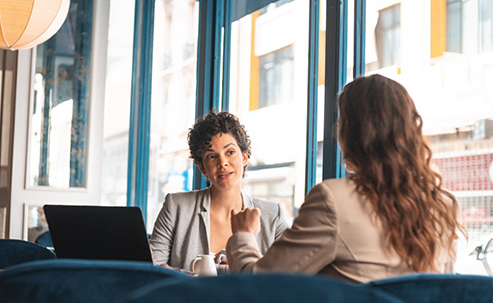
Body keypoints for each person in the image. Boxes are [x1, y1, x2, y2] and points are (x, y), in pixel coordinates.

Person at [226, 74, 463, 283]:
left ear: (352, 131)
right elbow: (443, 295)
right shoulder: (444, 205)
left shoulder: (333, 199)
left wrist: (244, 235)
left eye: (341, 121)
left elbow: (260, 284)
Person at [150, 111, 289, 270]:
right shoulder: (176, 206)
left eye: (230, 152)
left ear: (244, 157)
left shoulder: (272, 215)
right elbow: (153, 269)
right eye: (211, 156)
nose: (222, 162)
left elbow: (287, 274)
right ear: (202, 167)